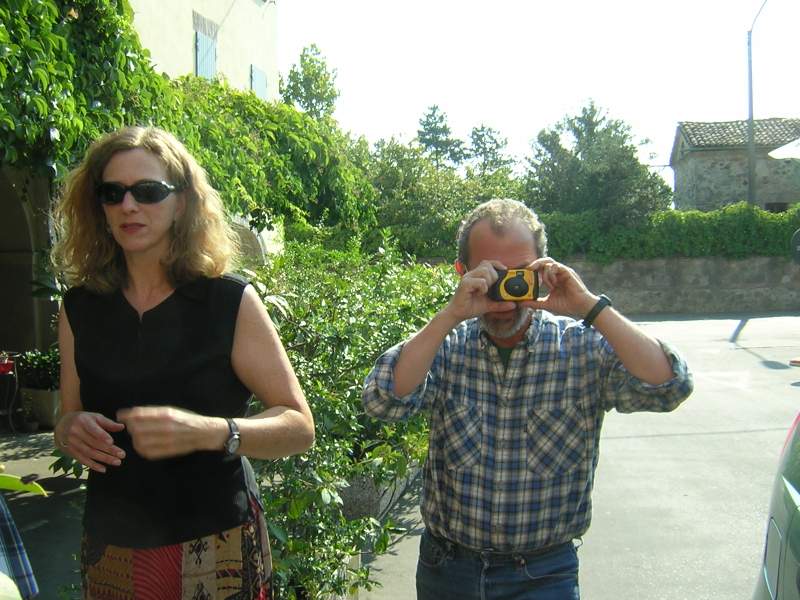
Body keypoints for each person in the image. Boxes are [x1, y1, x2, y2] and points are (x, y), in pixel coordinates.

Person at [362, 198, 693, 600]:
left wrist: (589, 306)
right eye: (492, 275)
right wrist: (450, 315)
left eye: (518, 274)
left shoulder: (579, 347)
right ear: (463, 273)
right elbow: (382, 400)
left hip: (544, 574)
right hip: (448, 570)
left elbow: (671, 385)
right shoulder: (445, 347)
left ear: (543, 270)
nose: (506, 293)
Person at [51, 126, 315, 599]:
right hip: (113, 546)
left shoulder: (228, 301)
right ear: (99, 206)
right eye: (113, 193)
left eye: (148, 191)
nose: (129, 206)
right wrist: (70, 429)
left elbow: (299, 426)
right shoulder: (79, 308)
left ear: (182, 203)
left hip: (215, 541)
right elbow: (67, 418)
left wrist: (211, 432)